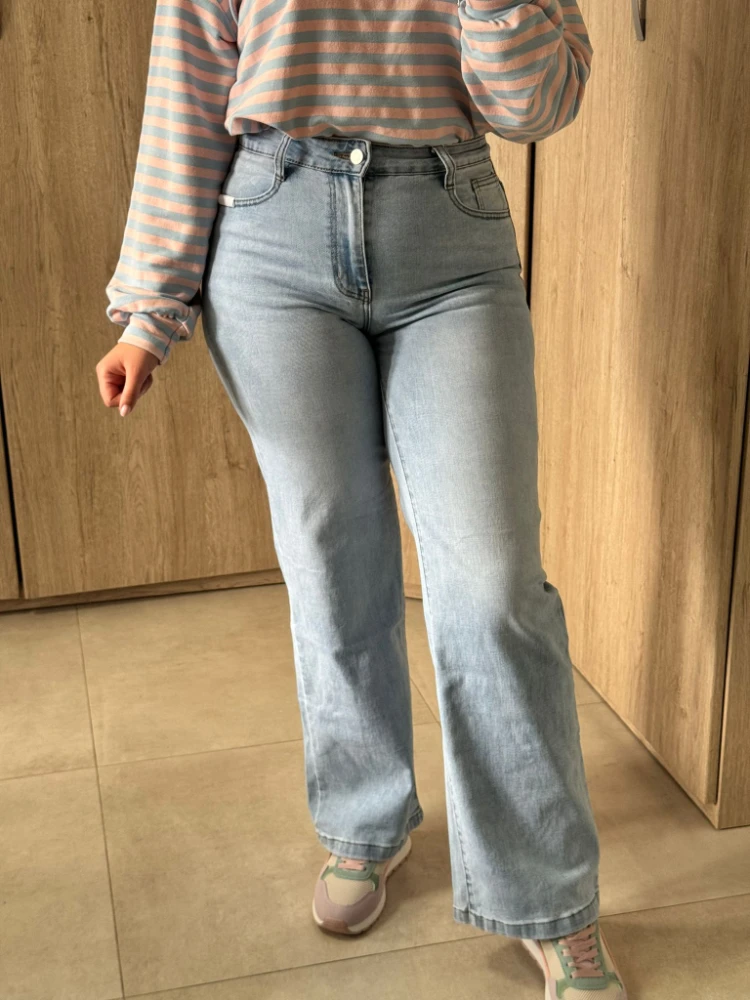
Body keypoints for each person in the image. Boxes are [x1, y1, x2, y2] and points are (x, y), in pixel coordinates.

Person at [96, 2, 628, 996]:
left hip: (449, 227)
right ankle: (364, 819)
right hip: (272, 232)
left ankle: (546, 895)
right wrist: (150, 309)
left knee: (495, 583)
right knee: (331, 560)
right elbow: (187, 91)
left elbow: (539, 104)